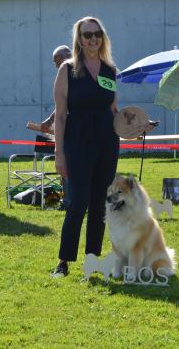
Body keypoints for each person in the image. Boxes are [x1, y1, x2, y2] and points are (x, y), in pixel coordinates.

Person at [51, 16, 120, 277]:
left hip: (106, 141)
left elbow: (113, 109)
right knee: (78, 201)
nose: (93, 39)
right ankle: (64, 261)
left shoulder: (109, 70)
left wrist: (134, 125)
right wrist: (59, 154)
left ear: (102, 37)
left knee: (100, 202)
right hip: (77, 141)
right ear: (79, 39)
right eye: (87, 34)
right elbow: (59, 115)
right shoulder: (67, 69)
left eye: (97, 34)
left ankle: (93, 259)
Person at [40, 45, 72, 210]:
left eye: (56, 60)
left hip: (75, 131)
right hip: (66, 131)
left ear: (64, 57)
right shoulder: (65, 74)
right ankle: (68, 200)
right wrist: (49, 120)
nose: (55, 64)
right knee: (65, 168)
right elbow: (61, 105)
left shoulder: (74, 72)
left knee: (69, 168)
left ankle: (69, 201)